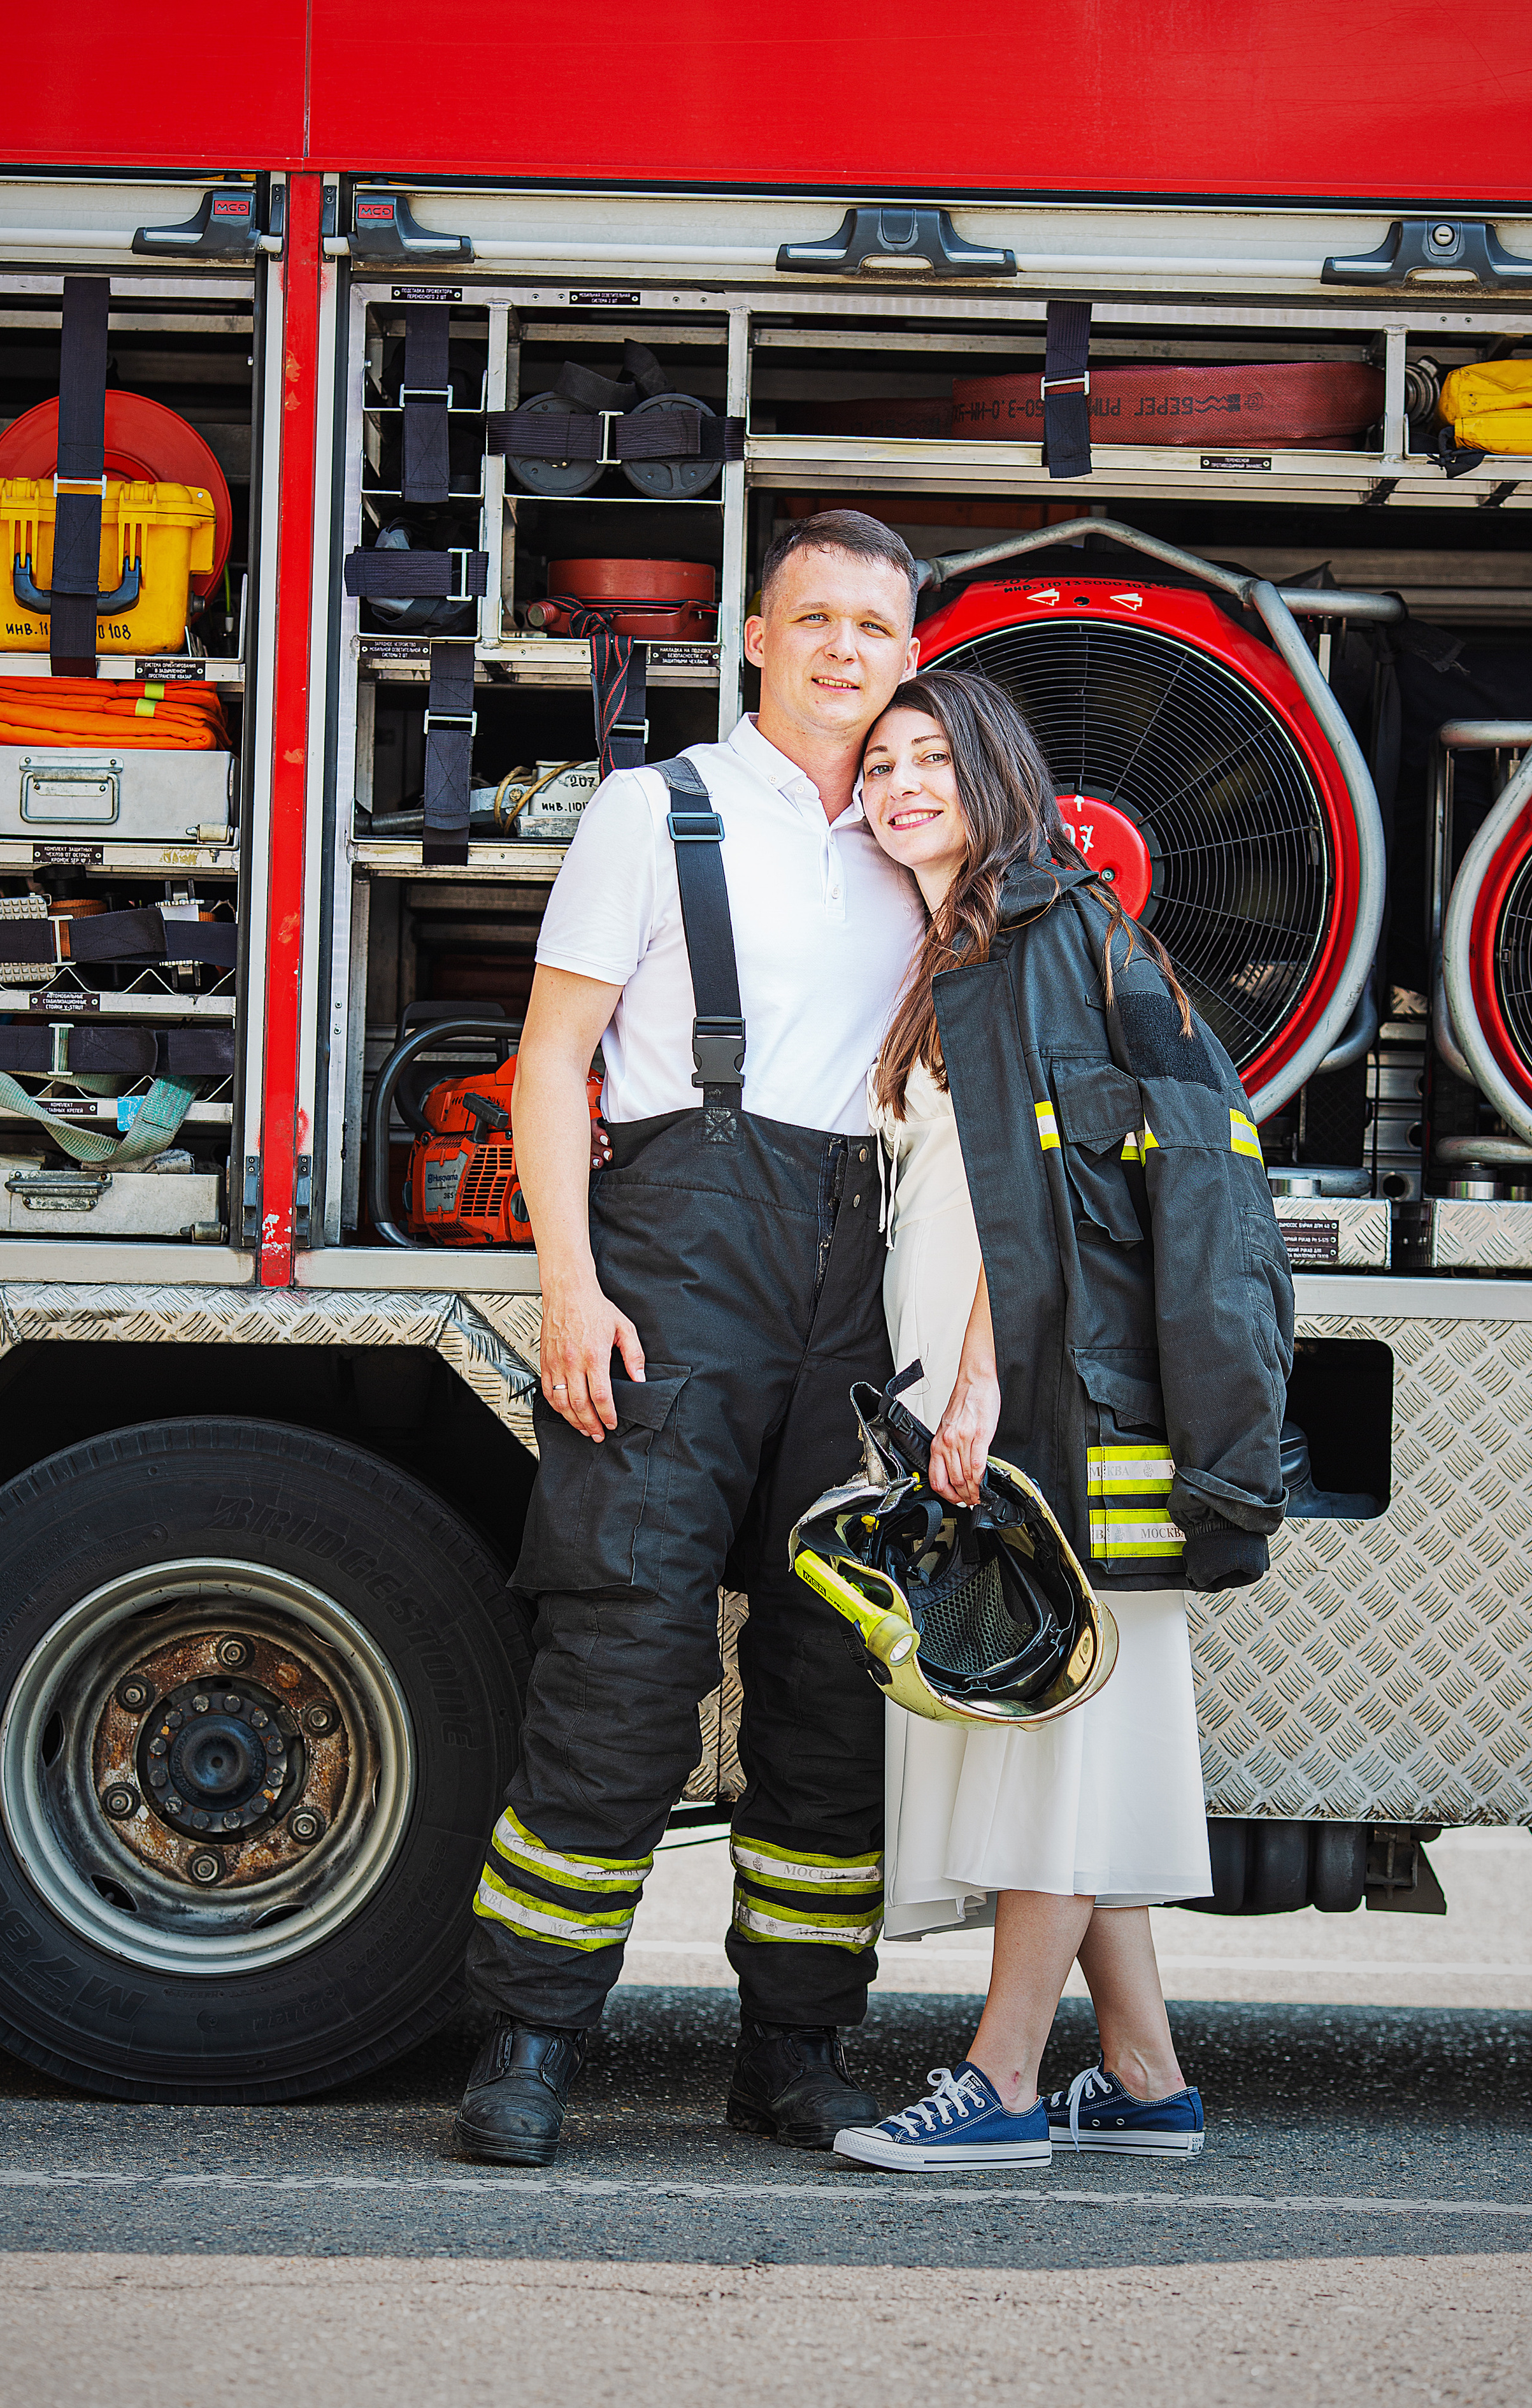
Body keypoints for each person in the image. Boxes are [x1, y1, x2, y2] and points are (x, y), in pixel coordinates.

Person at [454, 510, 927, 2167]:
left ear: (911, 654)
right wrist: (566, 1289)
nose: (844, 652)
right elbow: (546, 1062)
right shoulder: (658, 813)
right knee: (621, 1678)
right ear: (755, 636)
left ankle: (796, 2054)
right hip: (669, 1278)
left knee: (831, 1691)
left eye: (875, 627)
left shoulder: (922, 837)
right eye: (816, 621)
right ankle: (525, 2047)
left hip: (860, 1289)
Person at [829, 670, 1292, 2172]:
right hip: (1016, 1383)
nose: (901, 786)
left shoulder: (1028, 935)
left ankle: (1006, 2080)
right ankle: (1146, 2077)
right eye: (880, 764)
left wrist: (979, 1387)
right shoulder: (979, 935)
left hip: (1041, 1396)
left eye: (931, 763)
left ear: (994, 774)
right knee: (1074, 1725)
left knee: (1050, 1731)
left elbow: (1051, 1202)